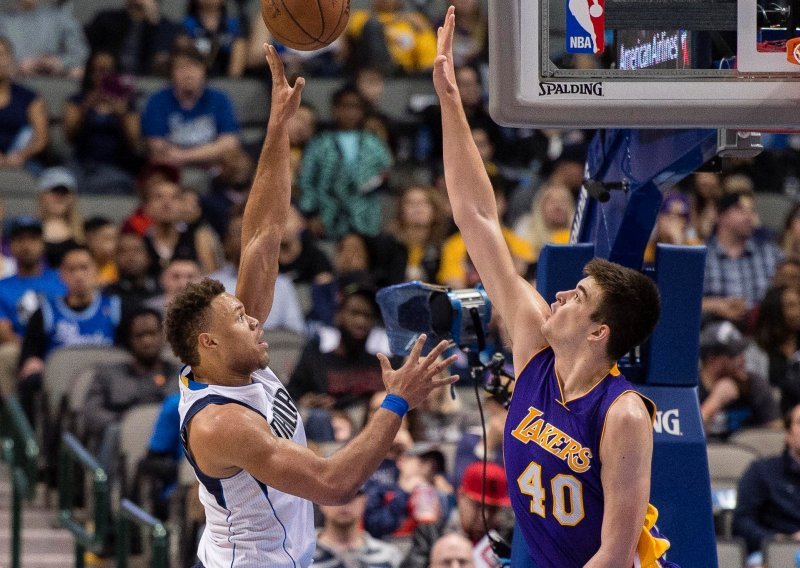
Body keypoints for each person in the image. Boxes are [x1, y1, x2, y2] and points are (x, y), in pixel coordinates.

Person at [165, 46, 458, 568]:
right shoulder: (219, 423)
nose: (256, 319)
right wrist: (396, 402)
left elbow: (263, 233)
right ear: (207, 342)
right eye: (238, 318)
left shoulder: (227, 358)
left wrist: (277, 130)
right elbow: (333, 483)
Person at [431, 9, 675, 567]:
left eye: (578, 297)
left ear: (599, 332)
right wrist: (451, 102)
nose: (560, 296)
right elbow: (477, 217)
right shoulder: (534, 352)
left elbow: (614, 557)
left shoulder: (623, 415)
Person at [83, 307, 179, 476]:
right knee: (113, 432)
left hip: (168, 450)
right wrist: (128, 422)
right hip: (120, 447)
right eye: (140, 336)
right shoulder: (108, 375)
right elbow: (92, 413)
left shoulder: (180, 375)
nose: (147, 341)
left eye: (152, 333)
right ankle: (108, 495)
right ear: (129, 340)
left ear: (163, 336)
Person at [141, 45, 241, 169]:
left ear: (204, 71)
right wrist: (211, 152)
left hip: (215, 167)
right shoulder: (157, 101)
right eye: (181, 68)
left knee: (239, 165)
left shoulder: (219, 99)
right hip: (172, 169)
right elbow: (158, 148)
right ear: (171, 73)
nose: (188, 74)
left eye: (194, 67)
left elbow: (230, 144)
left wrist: (183, 156)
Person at [401, 462, 513, 568]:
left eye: (493, 509)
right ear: (461, 496)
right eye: (478, 506)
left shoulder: (508, 539)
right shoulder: (430, 534)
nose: (485, 515)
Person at [63, 50, 141, 195]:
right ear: (90, 73)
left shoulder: (128, 105)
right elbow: (69, 136)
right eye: (98, 70)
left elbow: (134, 142)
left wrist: (122, 114)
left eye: (108, 71)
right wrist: (85, 108)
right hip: (81, 165)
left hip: (115, 167)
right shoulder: (77, 101)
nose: (103, 76)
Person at [733, 403, 800, 566]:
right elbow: (742, 522)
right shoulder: (762, 471)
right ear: (788, 434)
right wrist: (778, 540)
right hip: (773, 552)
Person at [702, 190, 784, 324]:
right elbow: (682, 303)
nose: (749, 216)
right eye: (740, 209)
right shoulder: (702, 256)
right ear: (719, 215)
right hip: (713, 331)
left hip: (762, 332)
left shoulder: (771, 253)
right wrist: (716, 305)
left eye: (751, 210)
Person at [699, 321, 782, 440]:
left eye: (742, 352)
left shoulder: (754, 384)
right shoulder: (691, 391)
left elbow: (776, 435)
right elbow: (686, 436)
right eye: (734, 355)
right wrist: (714, 403)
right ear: (712, 360)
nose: (742, 360)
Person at [85, 0, 181, 76]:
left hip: (146, 79)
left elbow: (160, 56)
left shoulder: (165, 27)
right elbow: (84, 47)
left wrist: (154, 21)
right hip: (111, 78)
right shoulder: (106, 19)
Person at [314, 487, 402, 568]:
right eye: (335, 495)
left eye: (353, 495)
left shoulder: (389, 555)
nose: (345, 503)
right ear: (321, 502)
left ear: (364, 500)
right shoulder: (303, 553)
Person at [0, 0, 88, 79]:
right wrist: (18, 65)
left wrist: (59, 62)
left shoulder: (60, 18)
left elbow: (81, 53)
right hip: (16, 79)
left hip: (54, 78)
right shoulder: (3, 21)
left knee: (78, 72)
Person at [0, 36, 48, 170]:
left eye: (2, 55)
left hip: (22, 160)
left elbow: (41, 139)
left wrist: (19, 156)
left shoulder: (30, 98)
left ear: (10, 59)